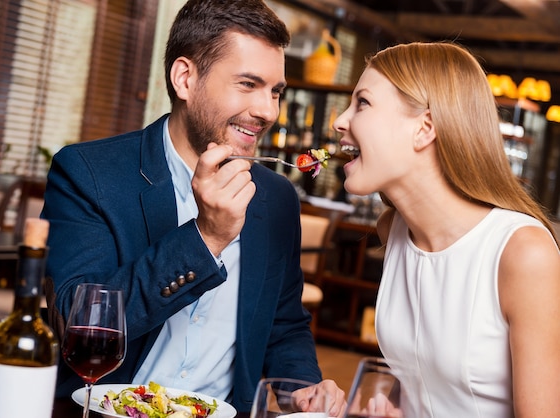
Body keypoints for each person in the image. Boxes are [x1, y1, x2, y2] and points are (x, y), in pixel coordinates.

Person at [41, 0, 345, 414]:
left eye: (276, 91)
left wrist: (302, 389)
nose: (268, 111)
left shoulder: (276, 199)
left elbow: (284, 324)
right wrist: (206, 238)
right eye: (247, 84)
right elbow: (78, 327)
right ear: (185, 78)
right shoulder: (89, 173)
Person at [333, 41, 560, 417]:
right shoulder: (393, 230)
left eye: (363, 103)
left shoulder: (523, 253)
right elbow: (425, 383)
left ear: (424, 129)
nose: (340, 120)